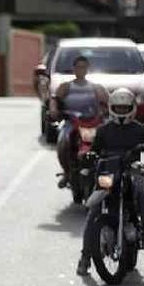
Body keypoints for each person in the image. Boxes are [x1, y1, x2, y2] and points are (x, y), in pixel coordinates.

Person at [77, 88, 144, 276]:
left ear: (132, 108)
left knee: (141, 195)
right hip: (108, 173)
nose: (120, 110)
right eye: (117, 107)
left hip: (131, 171)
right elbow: (94, 150)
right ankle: (85, 258)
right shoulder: (103, 130)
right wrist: (88, 158)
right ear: (110, 108)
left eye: (124, 107)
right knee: (93, 210)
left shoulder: (140, 129)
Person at [50, 55, 109, 188]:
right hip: (72, 122)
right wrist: (54, 110)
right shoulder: (65, 86)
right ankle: (67, 173)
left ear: (87, 69)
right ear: (74, 69)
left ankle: (105, 171)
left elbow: (107, 101)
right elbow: (55, 100)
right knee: (63, 142)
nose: (81, 70)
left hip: (94, 122)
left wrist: (106, 109)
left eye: (84, 67)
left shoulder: (96, 87)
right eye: (78, 67)